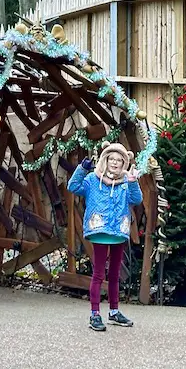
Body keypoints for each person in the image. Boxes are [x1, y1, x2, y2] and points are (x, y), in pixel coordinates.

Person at [67, 141, 143, 331]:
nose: (115, 163)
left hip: (118, 232)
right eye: (112, 159)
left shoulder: (126, 181)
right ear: (105, 160)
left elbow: (137, 200)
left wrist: (133, 183)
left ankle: (114, 311)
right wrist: (82, 169)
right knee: (99, 274)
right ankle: (95, 314)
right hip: (100, 231)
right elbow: (73, 187)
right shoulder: (93, 179)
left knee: (115, 274)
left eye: (119, 160)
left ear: (124, 163)